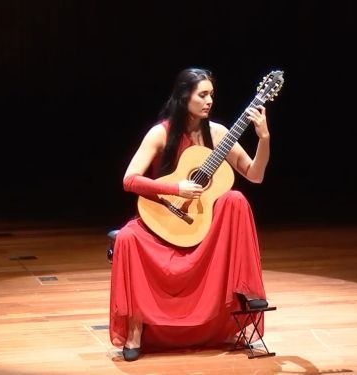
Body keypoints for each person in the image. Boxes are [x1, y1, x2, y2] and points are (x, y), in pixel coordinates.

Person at [109, 68, 271, 361]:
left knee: (235, 198)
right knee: (128, 238)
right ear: (185, 96)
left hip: (202, 224)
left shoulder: (219, 134)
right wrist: (175, 188)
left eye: (212, 94)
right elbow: (129, 180)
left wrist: (264, 138)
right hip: (166, 216)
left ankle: (246, 291)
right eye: (203, 94)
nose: (209, 101)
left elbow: (255, 175)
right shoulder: (161, 133)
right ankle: (135, 330)